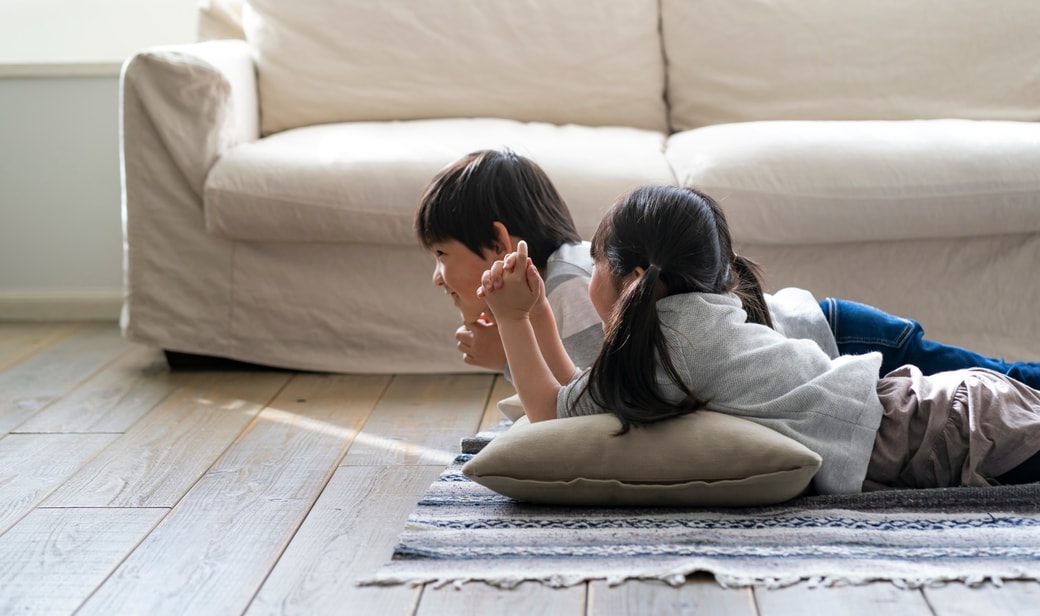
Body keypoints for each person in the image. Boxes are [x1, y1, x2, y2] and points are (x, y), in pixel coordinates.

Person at [478, 185, 1040, 494]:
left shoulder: (666, 345)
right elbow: (577, 396)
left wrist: (512, 321)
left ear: (629, 276)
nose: (588, 274)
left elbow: (553, 412)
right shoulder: (683, 325)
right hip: (934, 414)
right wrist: (533, 316)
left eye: (595, 261)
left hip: (944, 431)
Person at [415, 148, 1040, 389]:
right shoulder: (572, 280)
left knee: (1004, 384)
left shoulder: (573, 289)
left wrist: (511, 342)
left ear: (498, 243)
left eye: (443, 255)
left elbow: (591, 398)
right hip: (822, 330)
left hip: (835, 337)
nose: (439, 277)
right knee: (1000, 384)